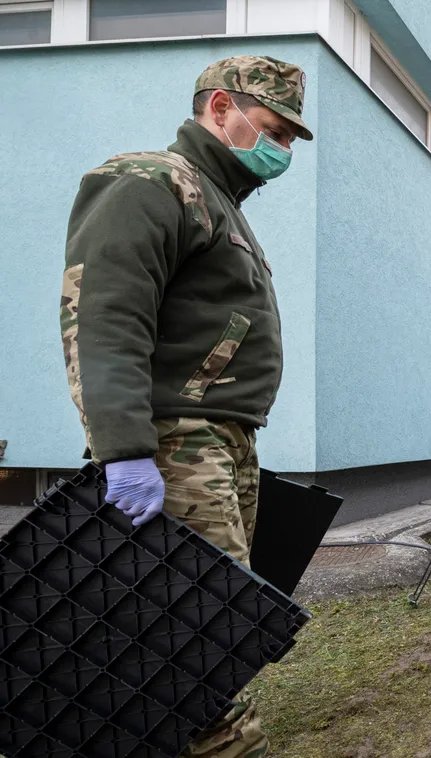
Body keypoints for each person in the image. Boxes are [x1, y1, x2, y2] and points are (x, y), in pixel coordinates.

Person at [61, 55, 312, 757]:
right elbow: (103, 317)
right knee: (199, 633)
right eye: (272, 129)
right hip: (176, 444)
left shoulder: (218, 201)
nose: (281, 149)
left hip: (220, 441)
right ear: (220, 107)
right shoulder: (151, 181)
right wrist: (124, 449)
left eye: (289, 138)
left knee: (214, 621)